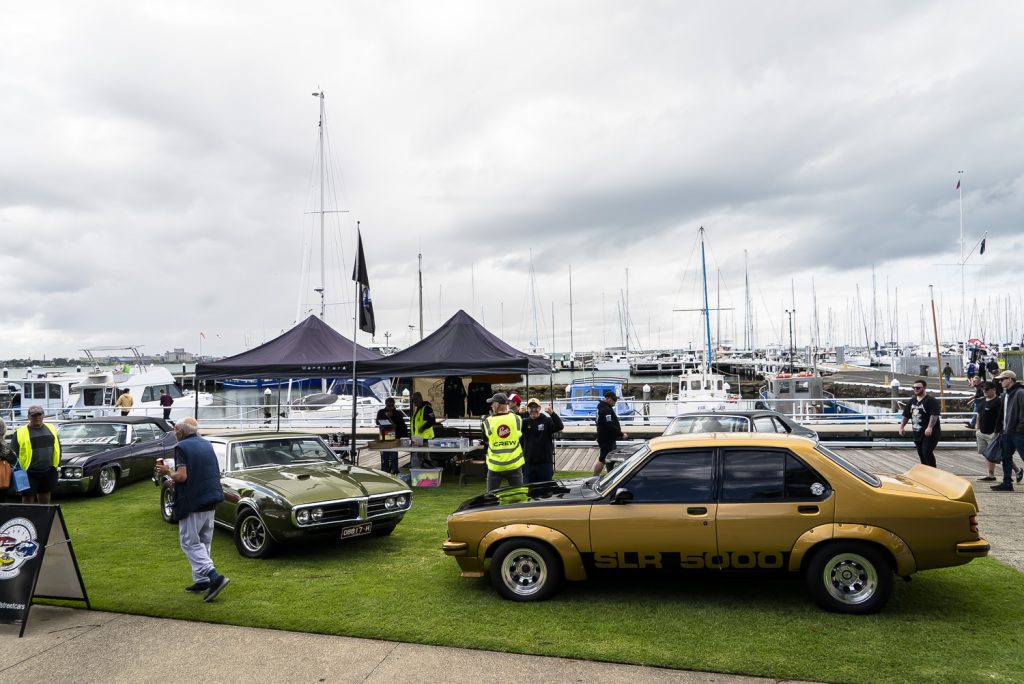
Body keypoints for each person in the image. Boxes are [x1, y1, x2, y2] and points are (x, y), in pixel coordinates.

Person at [155, 418, 230, 601]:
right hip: (211, 499)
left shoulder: (181, 447)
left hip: (194, 501)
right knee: (204, 541)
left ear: (181, 431)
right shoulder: (206, 444)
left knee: (189, 542)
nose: (174, 433)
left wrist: (168, 472)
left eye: (175, 430)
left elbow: (182, 476)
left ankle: (214, 576)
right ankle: (202, 580)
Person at [6, 405, 60, 504]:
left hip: (48, 470)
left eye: (39, 414)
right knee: (28, 498)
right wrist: (17, 472)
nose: (37, 417)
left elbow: (58, 446)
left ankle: (44, 514)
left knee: (45, 495)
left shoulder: (51, 428)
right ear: (28, 417)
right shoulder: (20, 432)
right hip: (28, 473)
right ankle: (27, 514)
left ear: (43, 415)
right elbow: (13, 454)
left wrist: (56, 464)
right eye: (34, 415)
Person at [975, 381, 1023, 483]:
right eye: (983, 389)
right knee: (987, 453)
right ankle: (991, 475)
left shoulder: (999, 401)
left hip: (994, 433)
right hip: (982, 431)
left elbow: (1002, 417)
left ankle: (1017, 471)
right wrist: (977, 428)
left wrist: (998, 431)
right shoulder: (982, 400)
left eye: (986, 389)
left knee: (1000, 454)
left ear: (993, 390)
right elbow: (978, 414)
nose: (984, 391)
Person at [481, 392, 524, 491]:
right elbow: (520, 437)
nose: (491, 406)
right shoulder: (517, 419)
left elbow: (486, 441)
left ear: (497, 404)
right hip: (514, 464)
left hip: (495, 466)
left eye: (492, 403)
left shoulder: (487, 421)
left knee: (491, 497)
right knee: (518, 496)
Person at [992, 370, 1024, 492]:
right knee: (1005, 457)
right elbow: (1003, 414)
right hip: (1006, 432)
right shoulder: (1006, 394)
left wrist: (1019, 428)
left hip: (1018, 432)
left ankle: (1007, 482)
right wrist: (999, 429)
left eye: (1002, 379)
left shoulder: (1020, 392)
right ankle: (1007, 483)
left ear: (1010, 379)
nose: (1000, 382)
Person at [898, 379, 941, 468]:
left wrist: (930, 427)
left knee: (927, 452)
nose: (915, 389)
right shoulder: (912, 401)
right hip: (917, 432)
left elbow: (934, 415)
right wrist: (901, 427)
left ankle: (933, 470)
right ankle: (925, 471)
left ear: (924, 388)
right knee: (921, 453)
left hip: (930, 433)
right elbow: (906, 415)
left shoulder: (931, 400)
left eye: (918, 388)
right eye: (914, 388)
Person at [521, 397, 564, 484]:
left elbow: (560, 426)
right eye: (531, 407)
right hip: (529, 463)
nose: (533, 410)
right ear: (527, 409)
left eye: (536, 407)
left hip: (545, 462)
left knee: (546, 488)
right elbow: (513, 429)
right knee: (529, 488)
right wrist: (519, 413)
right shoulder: (524, 422)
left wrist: (552, 414)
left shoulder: (547, 421)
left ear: (540, 408)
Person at [592, 390, 626, 476]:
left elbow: (600, 423)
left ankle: (610, 475)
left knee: (609, 458)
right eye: (614, 400)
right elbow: (609, 424)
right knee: (603, 459)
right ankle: (595, 476)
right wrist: (621, 434)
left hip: (605, 437)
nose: (615, 402)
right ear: (608, 399)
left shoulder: (602, 408)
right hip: (607, 438)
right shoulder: (606, 410)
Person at [375, 397, 408, 474]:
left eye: (392, 405)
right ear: (385, 405)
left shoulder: (397, 413)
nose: (390, 407)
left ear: (394, 405)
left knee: (394, 455)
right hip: (384, 436)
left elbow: (401, 425)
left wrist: (392, 419)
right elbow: (377, 422)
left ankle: (394, 470)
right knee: (385, 455)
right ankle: (385, 470)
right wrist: (386, 417)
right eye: (388, 405)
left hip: (394, 437)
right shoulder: (381, 412)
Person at [409, 391, 438, 468]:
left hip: (425, 437)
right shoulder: (418, 409)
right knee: (419, 456)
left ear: (419, 398)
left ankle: (429, 469)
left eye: (414, 399)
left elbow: (432, 420)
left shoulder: (427, 408)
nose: (413, 402)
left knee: (425, 456)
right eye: (412, 400)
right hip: (417, 437)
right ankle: (421, 469)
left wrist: (423, 427)